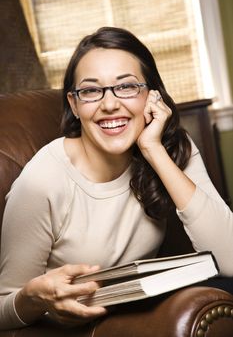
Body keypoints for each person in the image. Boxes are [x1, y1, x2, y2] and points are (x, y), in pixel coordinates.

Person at [0, 26, 233, 330]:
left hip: (139, 313)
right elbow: (4, 305)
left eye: (126, 87)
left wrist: (153, 150)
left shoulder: (172, 147)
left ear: (151, 95)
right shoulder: (42, 181)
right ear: (74, 104)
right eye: (91, 90)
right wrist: (33, 297)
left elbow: (229, 260)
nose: (109, 104)